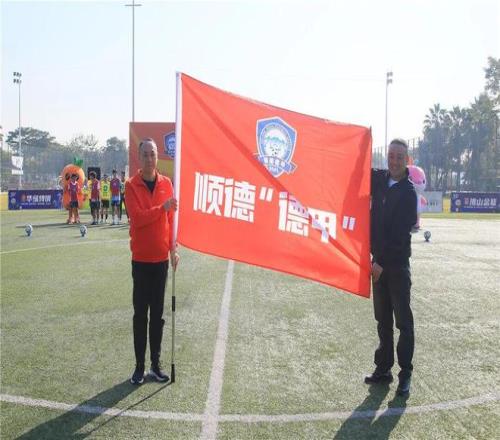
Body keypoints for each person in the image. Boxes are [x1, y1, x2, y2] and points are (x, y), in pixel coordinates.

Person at [365, 138, 417, 397]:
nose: (394, 161)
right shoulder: (379, 179)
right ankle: (383, 369)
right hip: (377, 265)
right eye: (391, 155)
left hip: (395, 268)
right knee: (382, 320)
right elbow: (356, 167)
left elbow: (398, 237)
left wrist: (380, 263)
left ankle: (405, 374)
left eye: (399, 157)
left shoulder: (408, 193)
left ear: (407, 160)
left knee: (403, 323)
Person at [125, 138, 179, 385]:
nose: (149, 158)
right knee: (140, 316)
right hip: (141, 261)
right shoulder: (131, 185)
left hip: (160, 262)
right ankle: (139, 367)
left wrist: (173, 250)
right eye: (145, 154)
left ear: (157, 157)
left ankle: (155, 365)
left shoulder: (167, 184)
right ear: (139, 157)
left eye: (152, 154)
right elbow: (137, 219)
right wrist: (162, 207)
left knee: (157, 316)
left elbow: (171, 222)